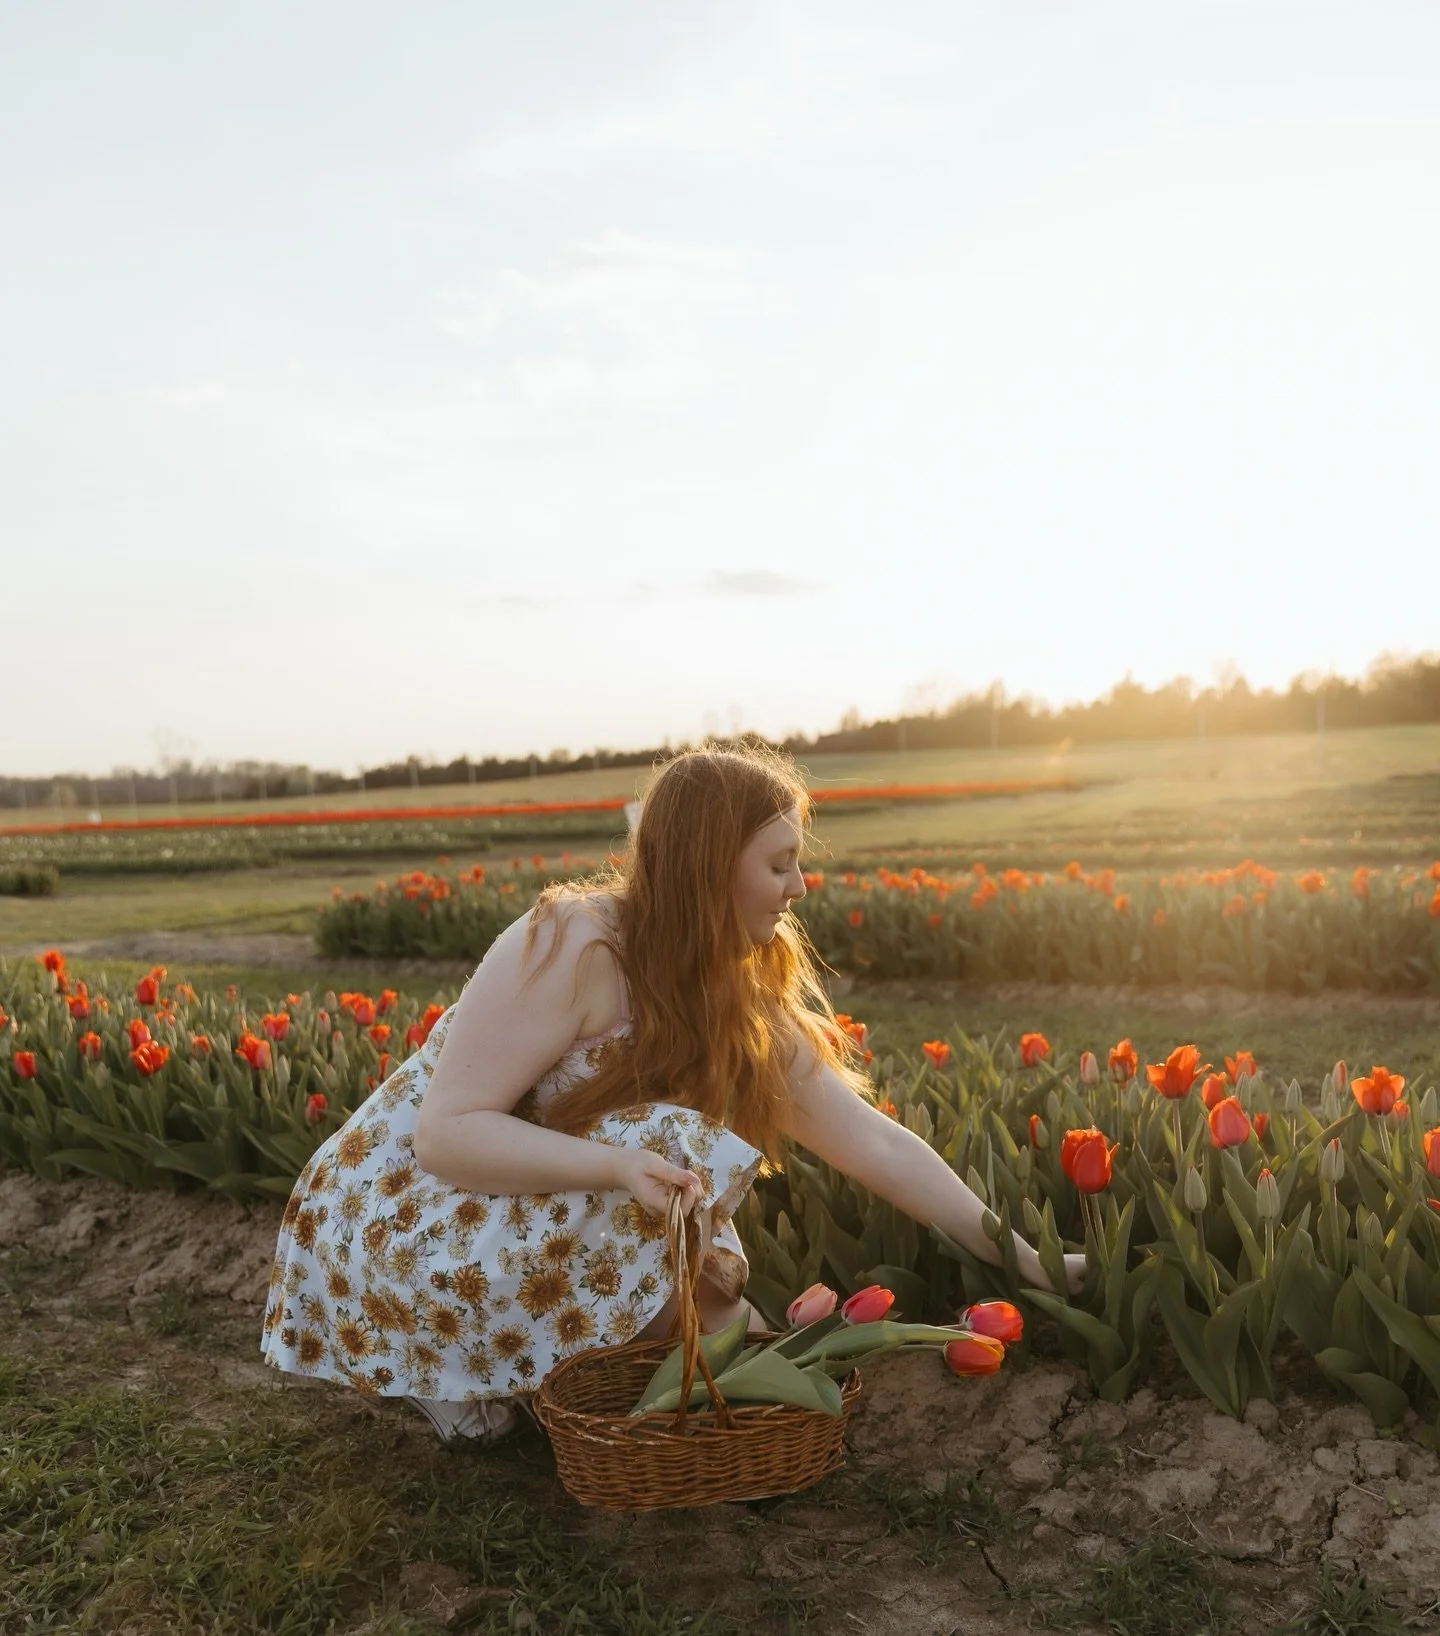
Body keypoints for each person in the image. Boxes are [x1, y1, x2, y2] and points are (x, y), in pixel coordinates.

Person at [260, 742, 1085, 1443]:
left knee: (742, 1358)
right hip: (417, 1214)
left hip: (549, 1214)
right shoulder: (576, 944)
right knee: (662, 1149)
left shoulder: (739, 993)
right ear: (706, 863)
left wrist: (1025, 1257)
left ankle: (527, 1367)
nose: (799, 886)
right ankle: (444, 1359)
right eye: (779, 862)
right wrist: (617, 1166)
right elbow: (445, 1135)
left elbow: (872, 1141)